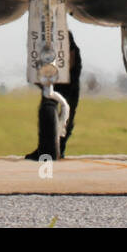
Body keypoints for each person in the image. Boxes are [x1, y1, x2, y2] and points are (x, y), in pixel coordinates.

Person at [25, 32, 82, 160]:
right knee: (51, 100)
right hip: (51, 58)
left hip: (66, 65)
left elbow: (71, 55)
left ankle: (57, 146)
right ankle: (49, 147)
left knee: (68, 105)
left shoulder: (63, 38)